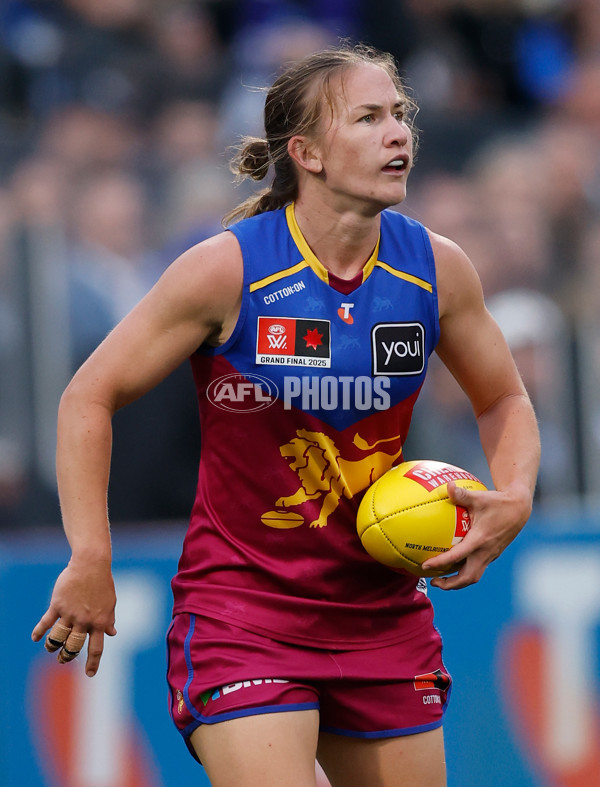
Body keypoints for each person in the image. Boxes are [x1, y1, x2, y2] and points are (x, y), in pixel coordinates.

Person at [32, 44, 540, 787]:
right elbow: (87, 396)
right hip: (245, 609)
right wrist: (89, 554)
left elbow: (503, 398)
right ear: (306, 153)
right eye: (368, 118)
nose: (397, 132)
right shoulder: (228, 268)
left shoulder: (436, 268)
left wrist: (517, 493)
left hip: (381, 611)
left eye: (399, 114)